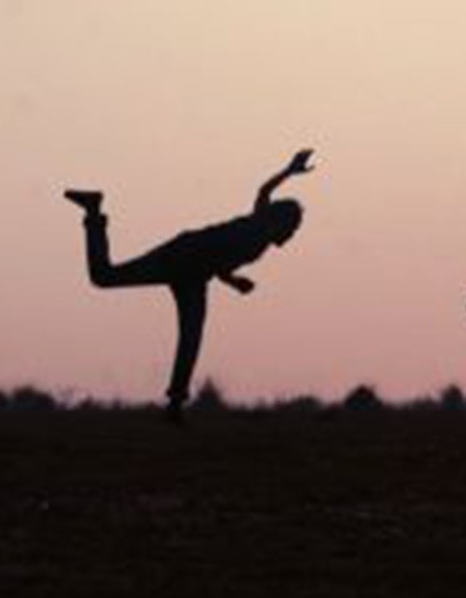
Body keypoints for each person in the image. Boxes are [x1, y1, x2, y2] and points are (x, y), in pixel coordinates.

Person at [60, 149, 315, 421]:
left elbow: (261, 194)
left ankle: (175, 406)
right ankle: (94, 211)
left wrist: (233, 281)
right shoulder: (256, 234)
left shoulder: (259, 231)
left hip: (193, 274)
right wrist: (289, 171)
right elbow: (223, 253)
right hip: (180, 259)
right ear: (280, 223)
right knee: (104, 277)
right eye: (293, 229)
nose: (292, 236)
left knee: (191, 336)